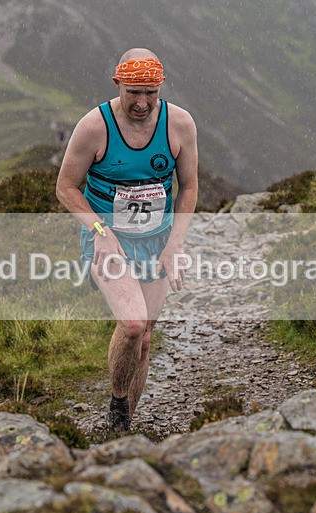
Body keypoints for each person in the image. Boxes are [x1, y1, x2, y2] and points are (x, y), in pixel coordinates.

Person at [56, 48, 198, 432]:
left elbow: (189, 188)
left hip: (156, 241)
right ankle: (118, 408)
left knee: (147, 338)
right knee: (133, 324)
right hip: (109, 241)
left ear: (160, 87)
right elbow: (66, 187)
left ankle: (125, 430)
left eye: (150, 92)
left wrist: (175, 244)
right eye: (133, 92)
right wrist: (99, 232)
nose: (141, 102)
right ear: (117, 84)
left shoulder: (179, 125)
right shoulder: (95, 126)